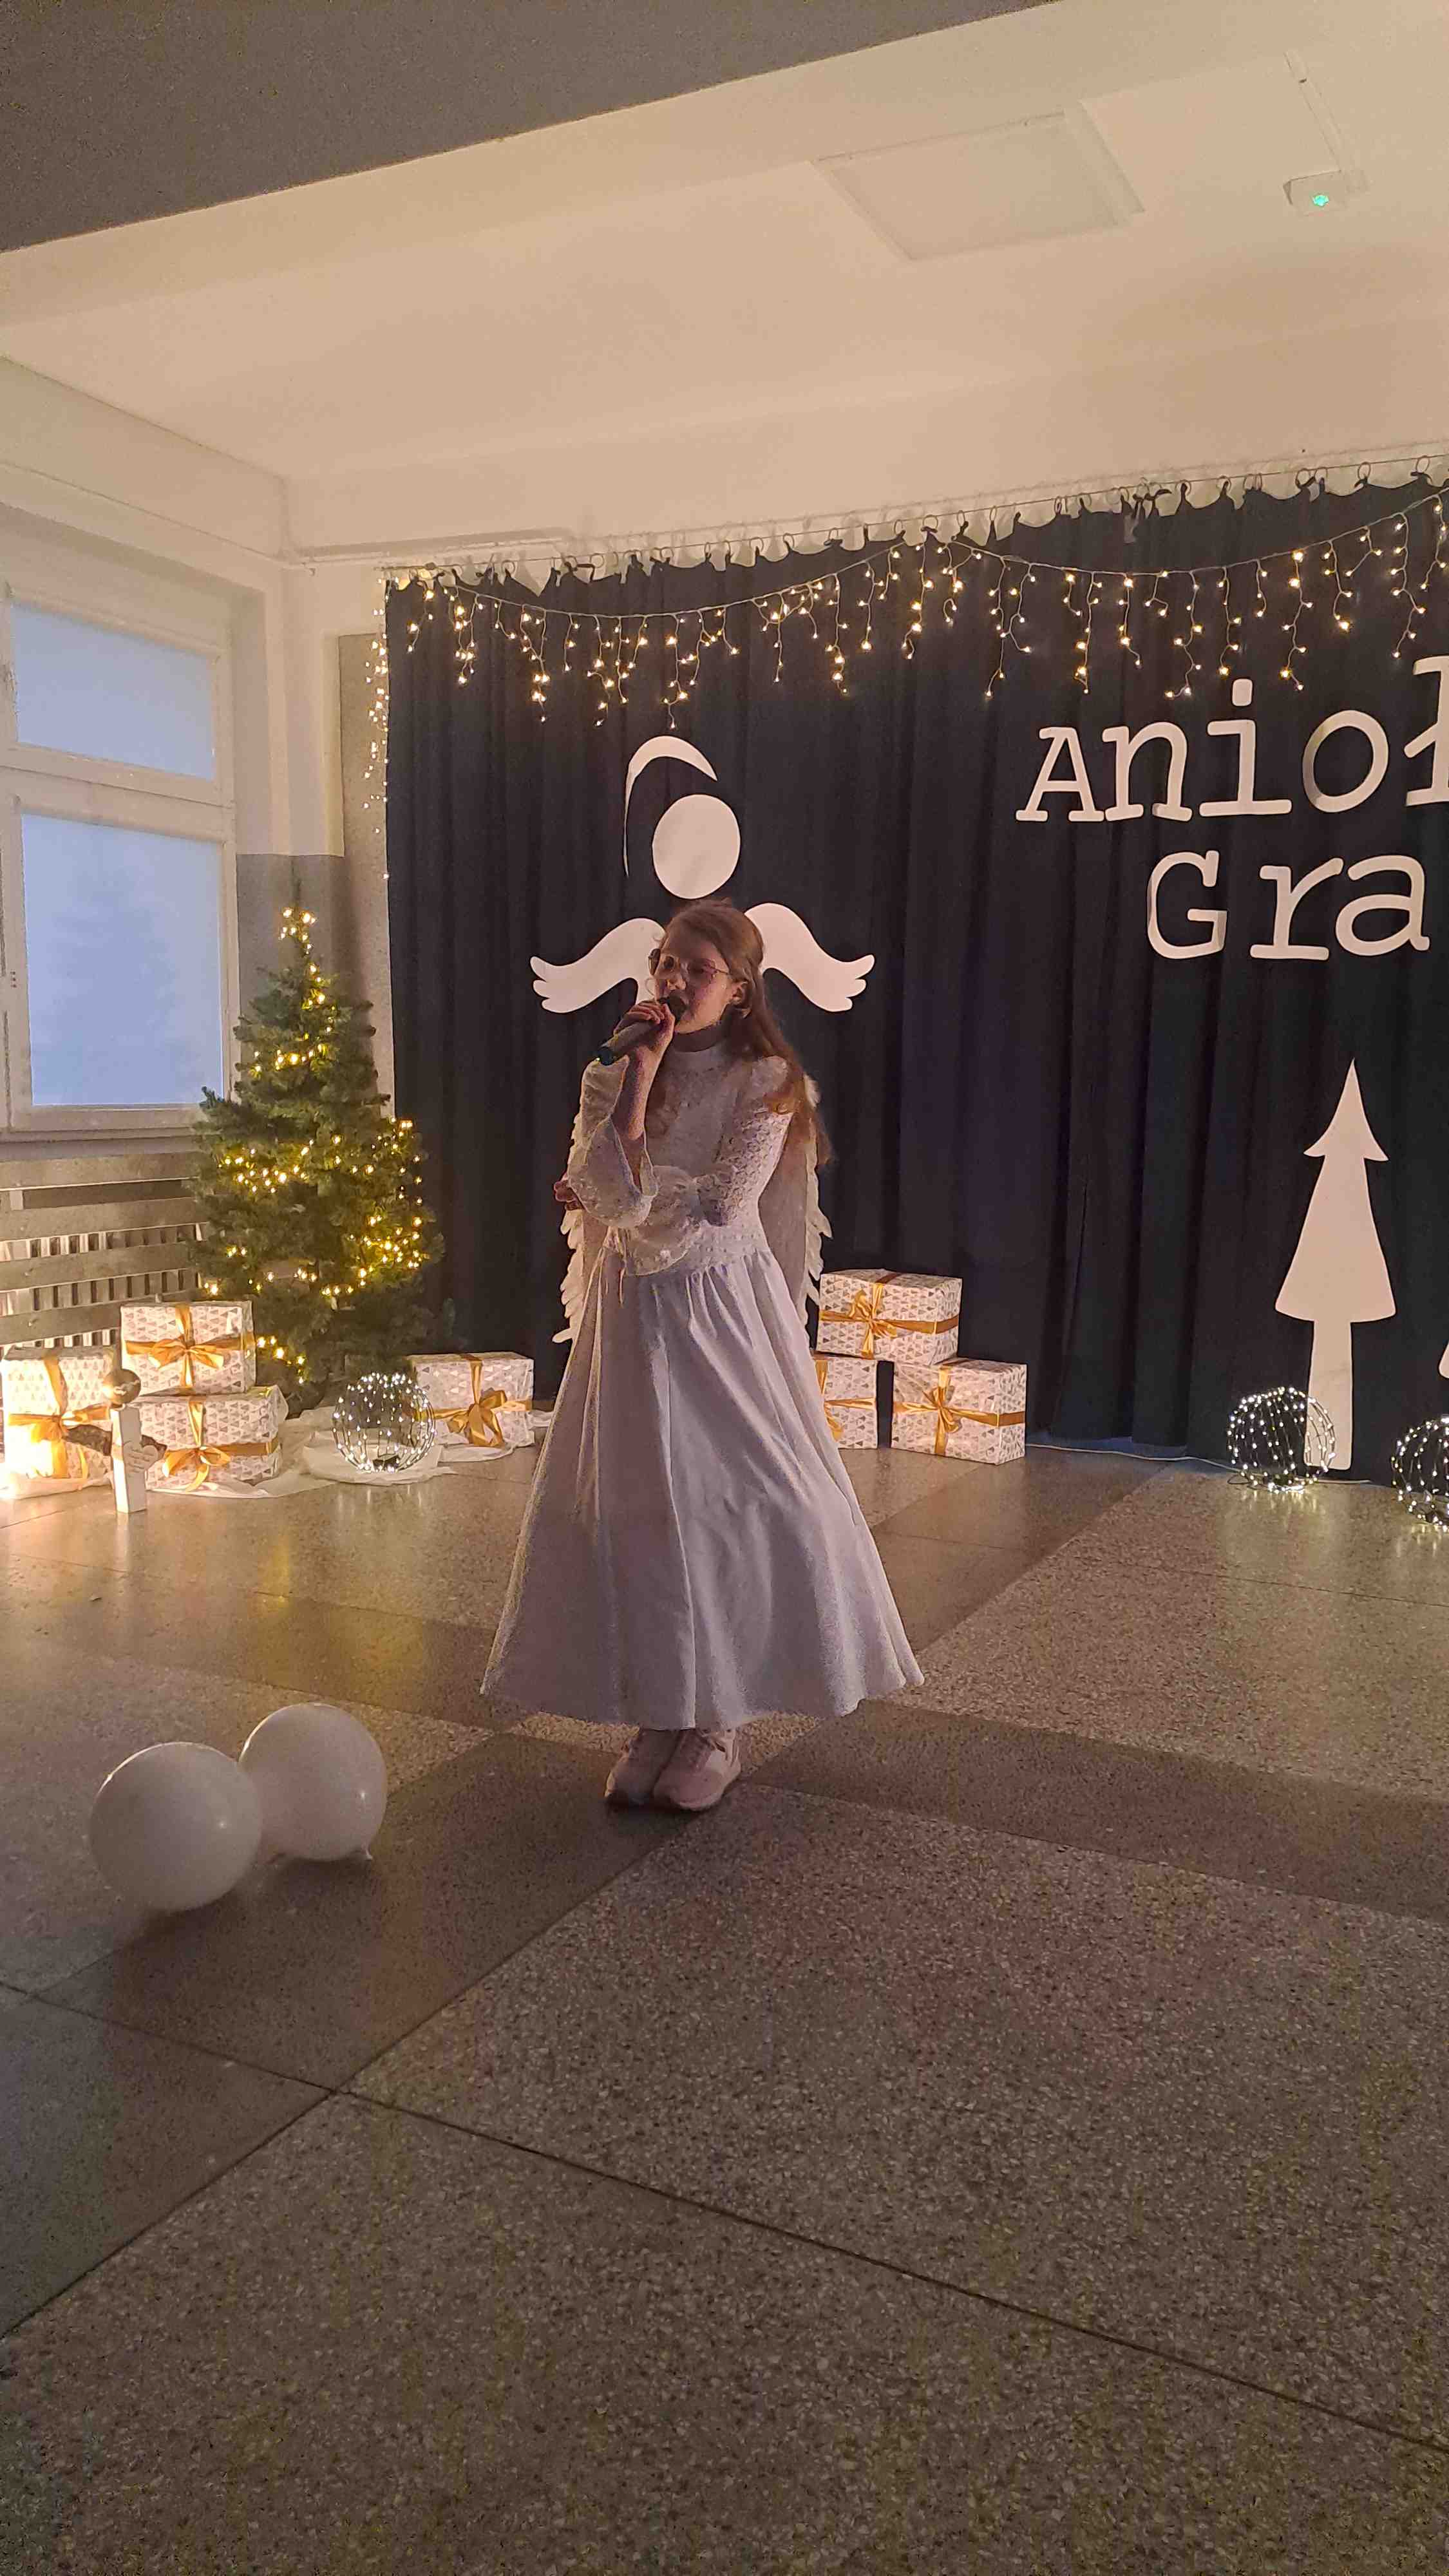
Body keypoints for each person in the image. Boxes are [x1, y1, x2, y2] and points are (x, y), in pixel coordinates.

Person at [482, 898, 922, 1810]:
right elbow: (600, 1193)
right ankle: (661, 1709)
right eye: (665, 963)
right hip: (633, 1312)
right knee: (640, 1502)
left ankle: (718, 1716)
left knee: (742, 1495)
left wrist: (624, 1191)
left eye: (697, 969)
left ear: (740, 989)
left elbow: (722, 1204)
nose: (674, 980)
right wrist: (636, 1087)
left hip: (722, 1312)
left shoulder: (767, 1079)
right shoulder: (612, 1071)